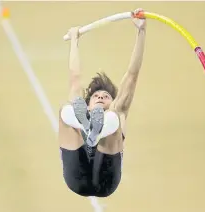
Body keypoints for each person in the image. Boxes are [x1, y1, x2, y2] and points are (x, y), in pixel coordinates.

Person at [59, 8, 146, 198]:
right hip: (77, 177)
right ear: (88, 104)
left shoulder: (117, 110)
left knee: (114, 117)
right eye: (96, 96)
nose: (100, 97)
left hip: (106, 180)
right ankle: (90, 127)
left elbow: (132, 76)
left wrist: (141, 32)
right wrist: (74, 40)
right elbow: (75, 78)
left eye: (106, 96)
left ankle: (99, 129)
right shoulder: (81, 107)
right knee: (66, 111)